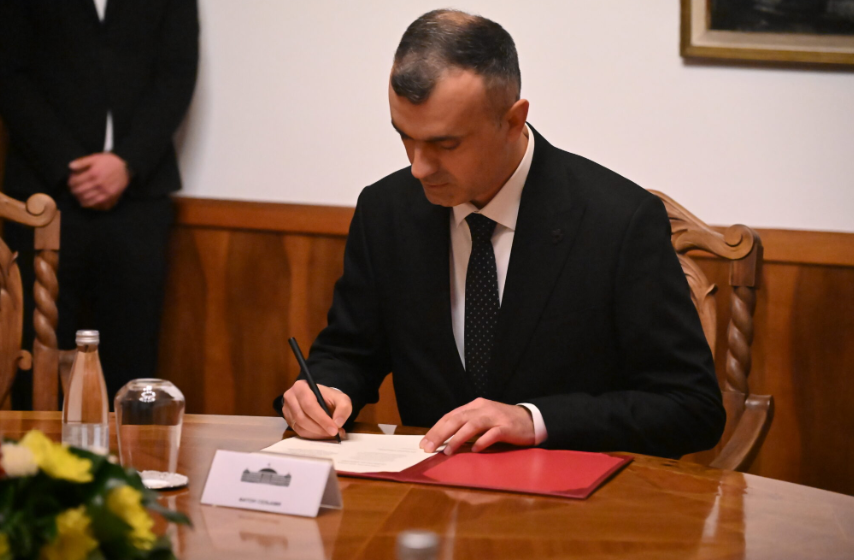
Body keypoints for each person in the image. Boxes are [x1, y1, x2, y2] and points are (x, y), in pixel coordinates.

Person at [278, 9, 725, 458]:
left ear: (513, 121)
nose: (419, 167)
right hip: (425, 491)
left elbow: (691, 407)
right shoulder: (386, 211)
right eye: (405, 136)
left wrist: (535, 420)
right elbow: (350, 352)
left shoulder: (617, 221)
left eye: (445, 144)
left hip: (570, 493)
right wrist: (324, 390)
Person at [0, 0, 199, 403]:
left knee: (133, 355)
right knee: (34, 358)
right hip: (42, 196)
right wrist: (67, 165)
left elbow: (176, 74)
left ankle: (129, 448)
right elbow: (9, 74)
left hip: (139, 198)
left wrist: (127, 162)